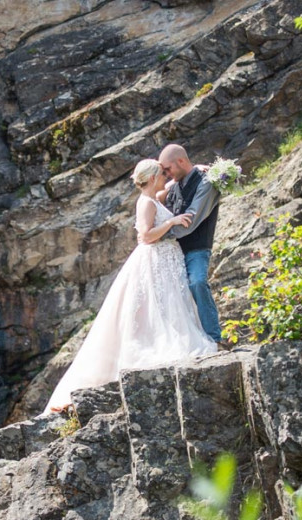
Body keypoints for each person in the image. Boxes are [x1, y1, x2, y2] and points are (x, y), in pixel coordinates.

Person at [43, 159, 218, 414]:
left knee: (168, 302)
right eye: (161, 173)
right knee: (156, 303)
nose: (164, 176)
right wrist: (171, 222)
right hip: (155, 257)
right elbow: (145, 236)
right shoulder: (146, 202)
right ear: (151, 177)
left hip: (166, 258)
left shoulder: (153, 196)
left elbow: (168, 186)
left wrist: (196, 168)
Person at [150, 144, 223, 344]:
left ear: (181, 161)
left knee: (197, 282)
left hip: (196, 248)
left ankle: (214, 338)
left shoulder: (207, 182)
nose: (165, 174)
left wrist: (159, 235)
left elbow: (190, 221)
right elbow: (152, 197)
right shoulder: (174, 184)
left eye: (167, 169)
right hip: (173, 250)